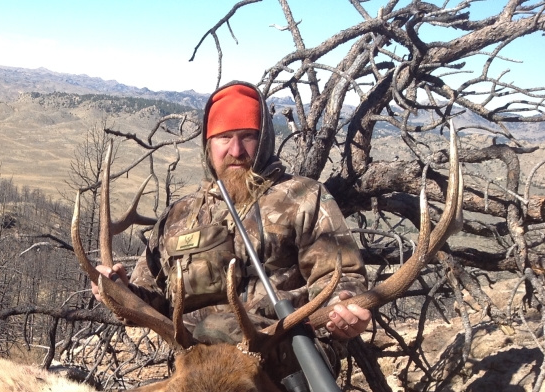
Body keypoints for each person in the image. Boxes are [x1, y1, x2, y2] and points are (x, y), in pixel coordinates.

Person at [92, 81, 371, 369]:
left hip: (283, 357)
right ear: (208, 145)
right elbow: (153, 299)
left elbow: (340, 276)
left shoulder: (304, 197)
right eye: (224, 137)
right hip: (196, 367)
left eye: (247, 136)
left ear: (263, 140)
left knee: (221, 333)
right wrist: (119, 291)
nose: (236, 150)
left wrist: (342, 307)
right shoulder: (178, 215)